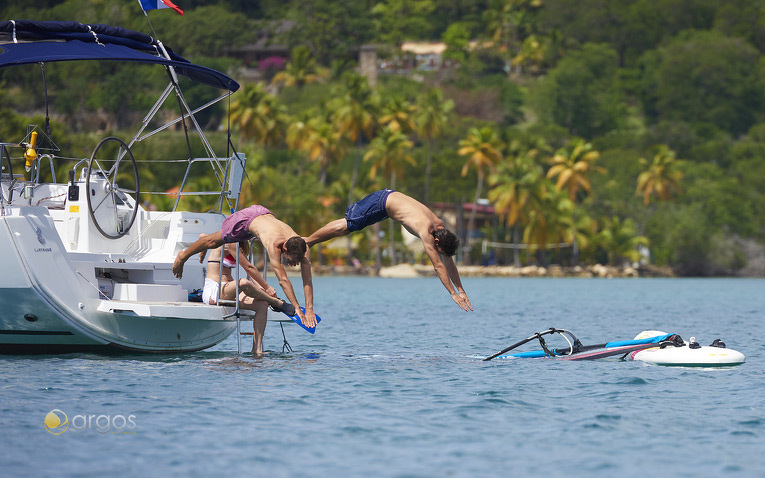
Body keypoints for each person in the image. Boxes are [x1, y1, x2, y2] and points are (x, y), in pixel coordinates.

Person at [305, 189, 473, 312]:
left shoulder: (441, 228)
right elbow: (438, 266)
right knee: (347, 226)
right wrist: (452, 294)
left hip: (388, 200)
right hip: (381, 202)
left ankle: (308, 241)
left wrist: (462, 290)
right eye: (439, 250)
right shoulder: (426, 231)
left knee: (348, 227)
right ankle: (308, 241)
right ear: (436, 241)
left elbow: (448, 261)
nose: (439, 254)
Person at [173, 205, 316, 328]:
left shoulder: (302, 246)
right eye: (292, 260)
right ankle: (183, 256)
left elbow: (307, 279)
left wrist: (309, 309)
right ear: (284, 248)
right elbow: (283, 280)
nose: (295, 263)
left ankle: (202, 239)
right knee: (212, 242)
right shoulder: (274, 245)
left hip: (262, 212)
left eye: (298, 260)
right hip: (245, 220)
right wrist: (296, 307)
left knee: (216, 241)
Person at [201, 241, 291, 356]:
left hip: (229, 289)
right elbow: (249, 268)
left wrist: (262, 291)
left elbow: (250, 275)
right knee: (243, 283)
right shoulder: (228, 243)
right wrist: (267, 288)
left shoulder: (239, 247)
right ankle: (276, 303)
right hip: (215, 290)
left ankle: (256, 349)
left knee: (262, 304)